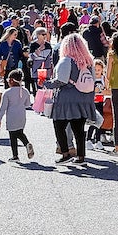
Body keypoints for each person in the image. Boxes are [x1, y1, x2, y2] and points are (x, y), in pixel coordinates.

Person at [51, 33, 95, 164]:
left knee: (59, 125)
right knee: (79, 129)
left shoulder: (66, 60)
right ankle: (81, 156)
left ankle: (65, 153)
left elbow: (61, 81)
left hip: (66, 99)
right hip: (84, 98)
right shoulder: (88, 61)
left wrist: (47, 83)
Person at [0, 69, 33, 162]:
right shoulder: (25, 91)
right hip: (22, 115)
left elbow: (3, 107)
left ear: (12, 80)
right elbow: (28, 104)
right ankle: (26, 143)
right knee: (20, 132)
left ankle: (15, 155)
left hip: (11, 116)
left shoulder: (7, 92)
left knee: (13, 136)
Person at [27, 27, 53, 96]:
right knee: (38, 90)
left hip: (46, 71)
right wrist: (39, 50)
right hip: (36, 71)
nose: (45, 36)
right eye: (43, 34)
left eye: (45, 34)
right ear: (38, 35)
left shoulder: (48, 45)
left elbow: (50, 58)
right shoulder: (33, 45)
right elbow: (31, 57)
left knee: (46, 90)